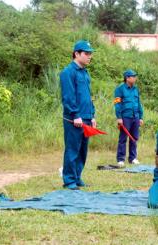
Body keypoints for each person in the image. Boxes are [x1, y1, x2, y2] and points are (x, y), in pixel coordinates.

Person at [60, 40, 96, 190]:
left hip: (86, 117)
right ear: (76, 54)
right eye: (86, 53)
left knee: (82, 150)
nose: (89, 56)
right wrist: (75, 115)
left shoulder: (85, 72)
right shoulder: (67, 72)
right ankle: (69, 180)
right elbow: (68, 96)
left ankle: (77, 177)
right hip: (74, 118)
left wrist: (92, 115)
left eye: (90, 54)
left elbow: (87, 96)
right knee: (72, 149)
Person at [114, 69, 144, 166]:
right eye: (133, 76)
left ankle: (133, 158)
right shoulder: (120, 89)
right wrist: (119, 117)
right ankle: (120, 159)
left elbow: (139, 103)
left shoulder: (136, 89)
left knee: (134, 138)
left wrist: (141, 117)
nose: (135, 78)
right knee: (123, 138)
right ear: (127, 78)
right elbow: (117, 104)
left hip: (135, 116)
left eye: (135, 76)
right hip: (125, 117)